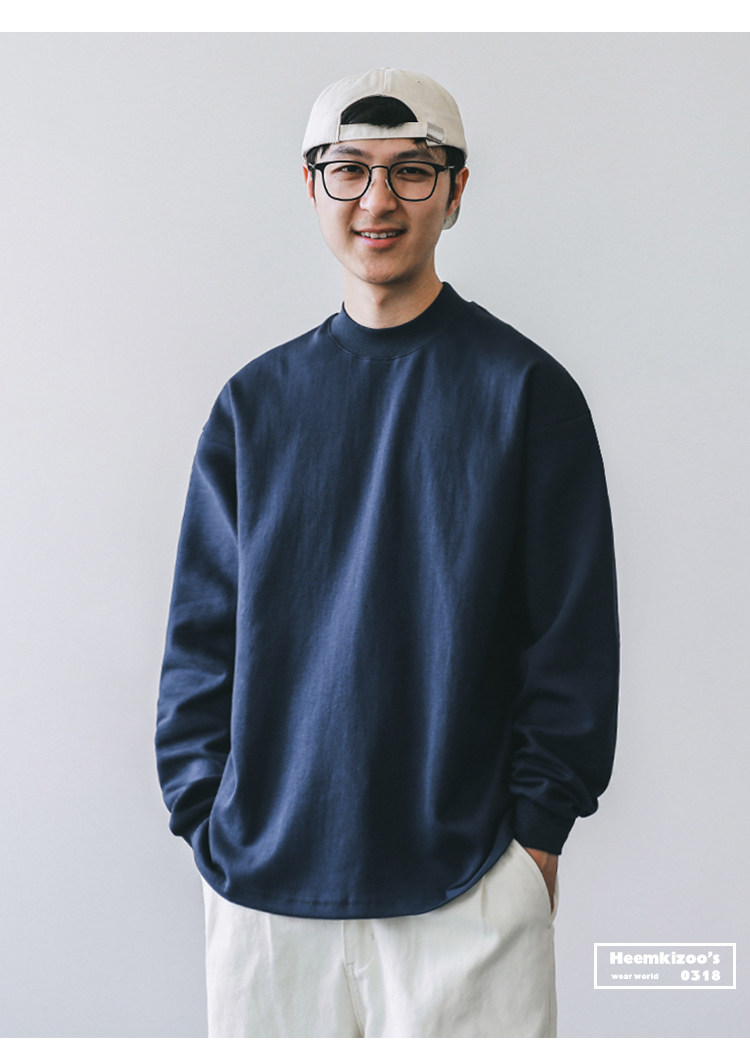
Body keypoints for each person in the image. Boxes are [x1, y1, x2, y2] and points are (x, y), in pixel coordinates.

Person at [155, 67, 619, 1038]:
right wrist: (203, 816)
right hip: (265, 893)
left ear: (456, 189)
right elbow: (201, 638)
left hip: (470, 890)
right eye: (349, 169)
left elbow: (572, 641)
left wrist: (536, 841)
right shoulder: (253, 406)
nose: (378, 200)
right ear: (311, 185)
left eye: (413, 170)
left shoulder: (526, 393)